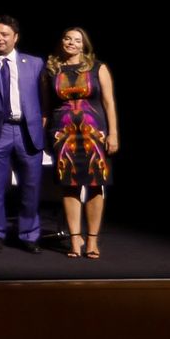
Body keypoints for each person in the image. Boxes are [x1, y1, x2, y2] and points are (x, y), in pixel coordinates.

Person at [0, 16, 47, 253]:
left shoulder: (35, 63)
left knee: (31, 186)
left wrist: (42, 121)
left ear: (15, 37)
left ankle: (28, 234)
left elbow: (46, 97)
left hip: (27, 130)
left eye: (4, 34)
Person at [46, 27, 118, 259]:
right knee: (69, 185)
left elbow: (108, 103)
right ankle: (75, 240)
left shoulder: (98, 68)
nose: (71, 43)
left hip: (94, 134)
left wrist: (113, 133)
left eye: (77, 40)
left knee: (96, 184)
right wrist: (44, 134)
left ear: (84, 45)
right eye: (67, 38)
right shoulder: (51, 69)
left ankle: (93, 241)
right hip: (63, 134)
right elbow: (45, 106)